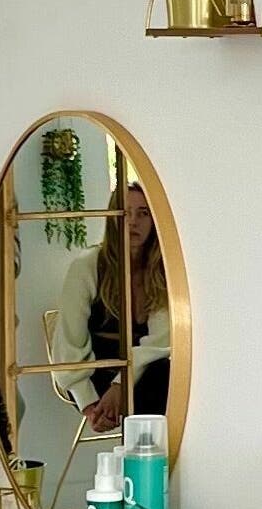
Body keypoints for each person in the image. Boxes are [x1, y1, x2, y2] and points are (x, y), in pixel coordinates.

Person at [49, 183, 171, 433]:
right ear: (112, 217)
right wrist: (89, 405)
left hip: (142, 369)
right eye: (125, 213)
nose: (133, 222)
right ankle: (141, 452)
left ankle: (144, 452)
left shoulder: (161, 271)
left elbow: (160, 342)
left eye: (143, 213)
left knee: (161, 374)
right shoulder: (87, 266)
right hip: (92, 373)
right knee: (154, 384)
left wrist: (121, 385)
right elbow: (69, 343)